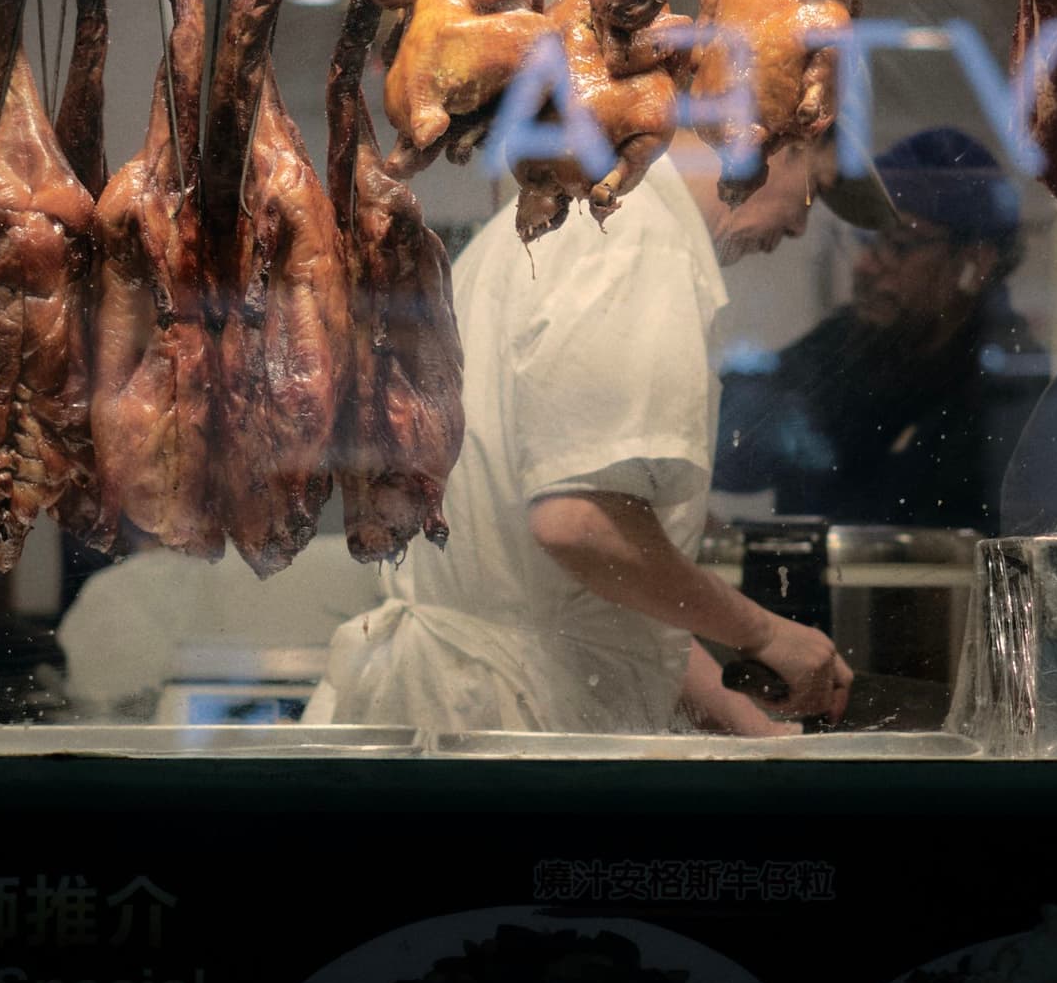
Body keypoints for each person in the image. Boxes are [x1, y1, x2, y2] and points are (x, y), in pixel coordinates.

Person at [310, 141, 855, 737]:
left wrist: (769, 740)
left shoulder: (582, 218)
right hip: (509, 724)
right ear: (780, 137)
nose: (803, 224)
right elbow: (581, 525)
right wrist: (766, 633)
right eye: (815, 188)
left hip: (469, 705)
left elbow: (589, 600)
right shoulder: (634, 238)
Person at [712, 126, 1046, 533]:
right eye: (865, 240)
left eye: (900, 244)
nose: (866, 265)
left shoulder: (1009, 382)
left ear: (977, 261)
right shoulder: (852, 340)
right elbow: (733, 461)